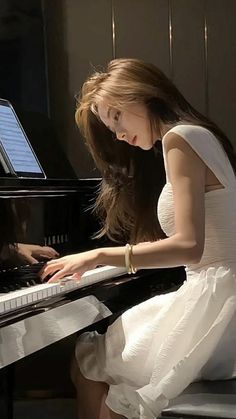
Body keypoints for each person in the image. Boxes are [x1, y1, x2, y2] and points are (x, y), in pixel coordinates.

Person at [41, 58, 236, 419]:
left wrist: (99, 255)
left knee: (88, 361)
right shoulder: (195, 134)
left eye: (116, 117)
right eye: (108, 124)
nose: (116, 134)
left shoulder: (180, 138)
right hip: (221, 298)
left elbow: (190, 247)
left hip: (216, 309)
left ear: (140, 96)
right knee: (97, 365)